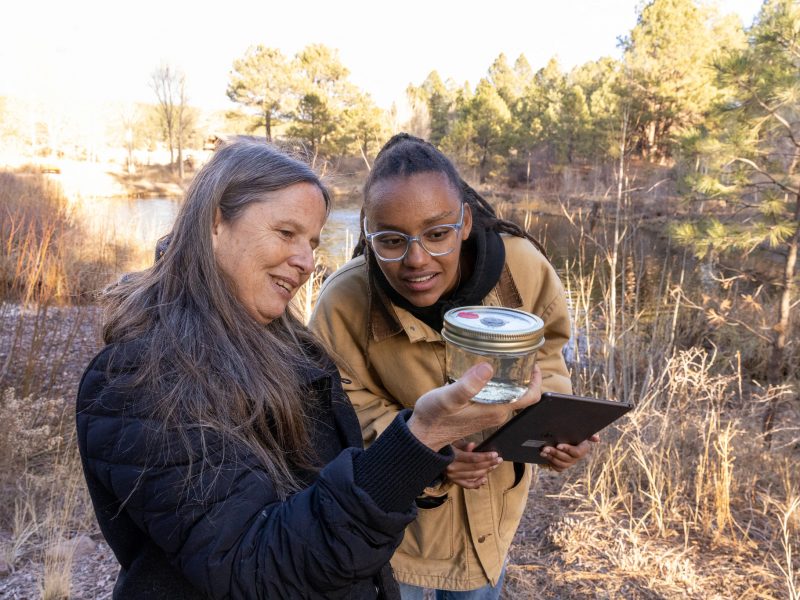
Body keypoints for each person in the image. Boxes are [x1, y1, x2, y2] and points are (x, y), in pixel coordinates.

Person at [75, 139, 545, 599]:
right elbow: (258, 565)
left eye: (313, 242)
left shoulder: (292, 348)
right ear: (216, 221)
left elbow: (331, 485)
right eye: (286, 233)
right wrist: (421, 436)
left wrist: (422, 452)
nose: (305, 262)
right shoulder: (139, 380)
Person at [310, 133, 597, 599]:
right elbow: (338, 410)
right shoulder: (343, 302)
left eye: (437, 233)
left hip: (491, 526)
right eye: (391, 240)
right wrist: (432, 453)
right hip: (396, 536)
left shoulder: (522, 269)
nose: (417, 259)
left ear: (464, 221)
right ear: (368, 235)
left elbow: (548, 353)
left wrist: (553, 429)